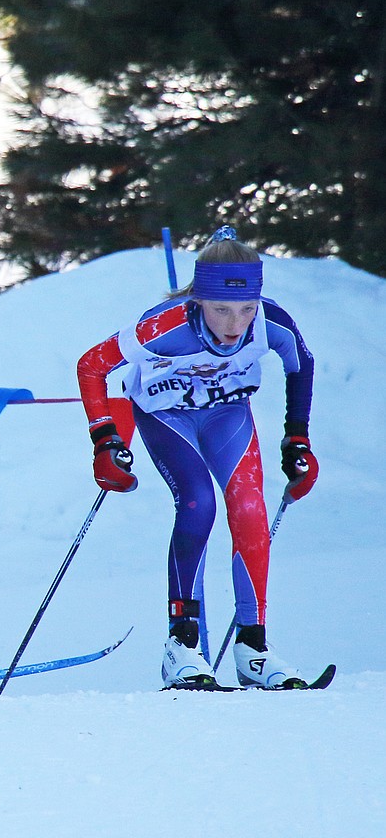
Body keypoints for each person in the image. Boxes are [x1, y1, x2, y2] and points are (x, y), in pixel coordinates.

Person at [76, 226, 318, 690]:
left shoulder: (271, 322)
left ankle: (253, 649)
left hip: (227, 414)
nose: (234, 324)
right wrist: (105, 439)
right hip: (168, 416)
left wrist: (298, 439)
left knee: (249, 508)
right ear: (199, 300)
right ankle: (182, 647)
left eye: (246, 309)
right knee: (198, 502)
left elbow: (301, 364)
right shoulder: (164, 326)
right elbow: (92, 365)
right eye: (222, 309)